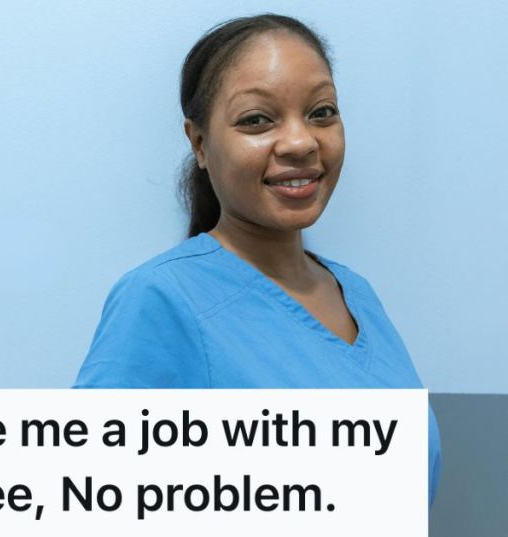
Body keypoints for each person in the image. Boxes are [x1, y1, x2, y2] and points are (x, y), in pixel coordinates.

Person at [73, 14, 442, 507]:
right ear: (200, 143)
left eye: (322, 111)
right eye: (256, 120)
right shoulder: (163, 299)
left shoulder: (358, 294)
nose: (300, 142)